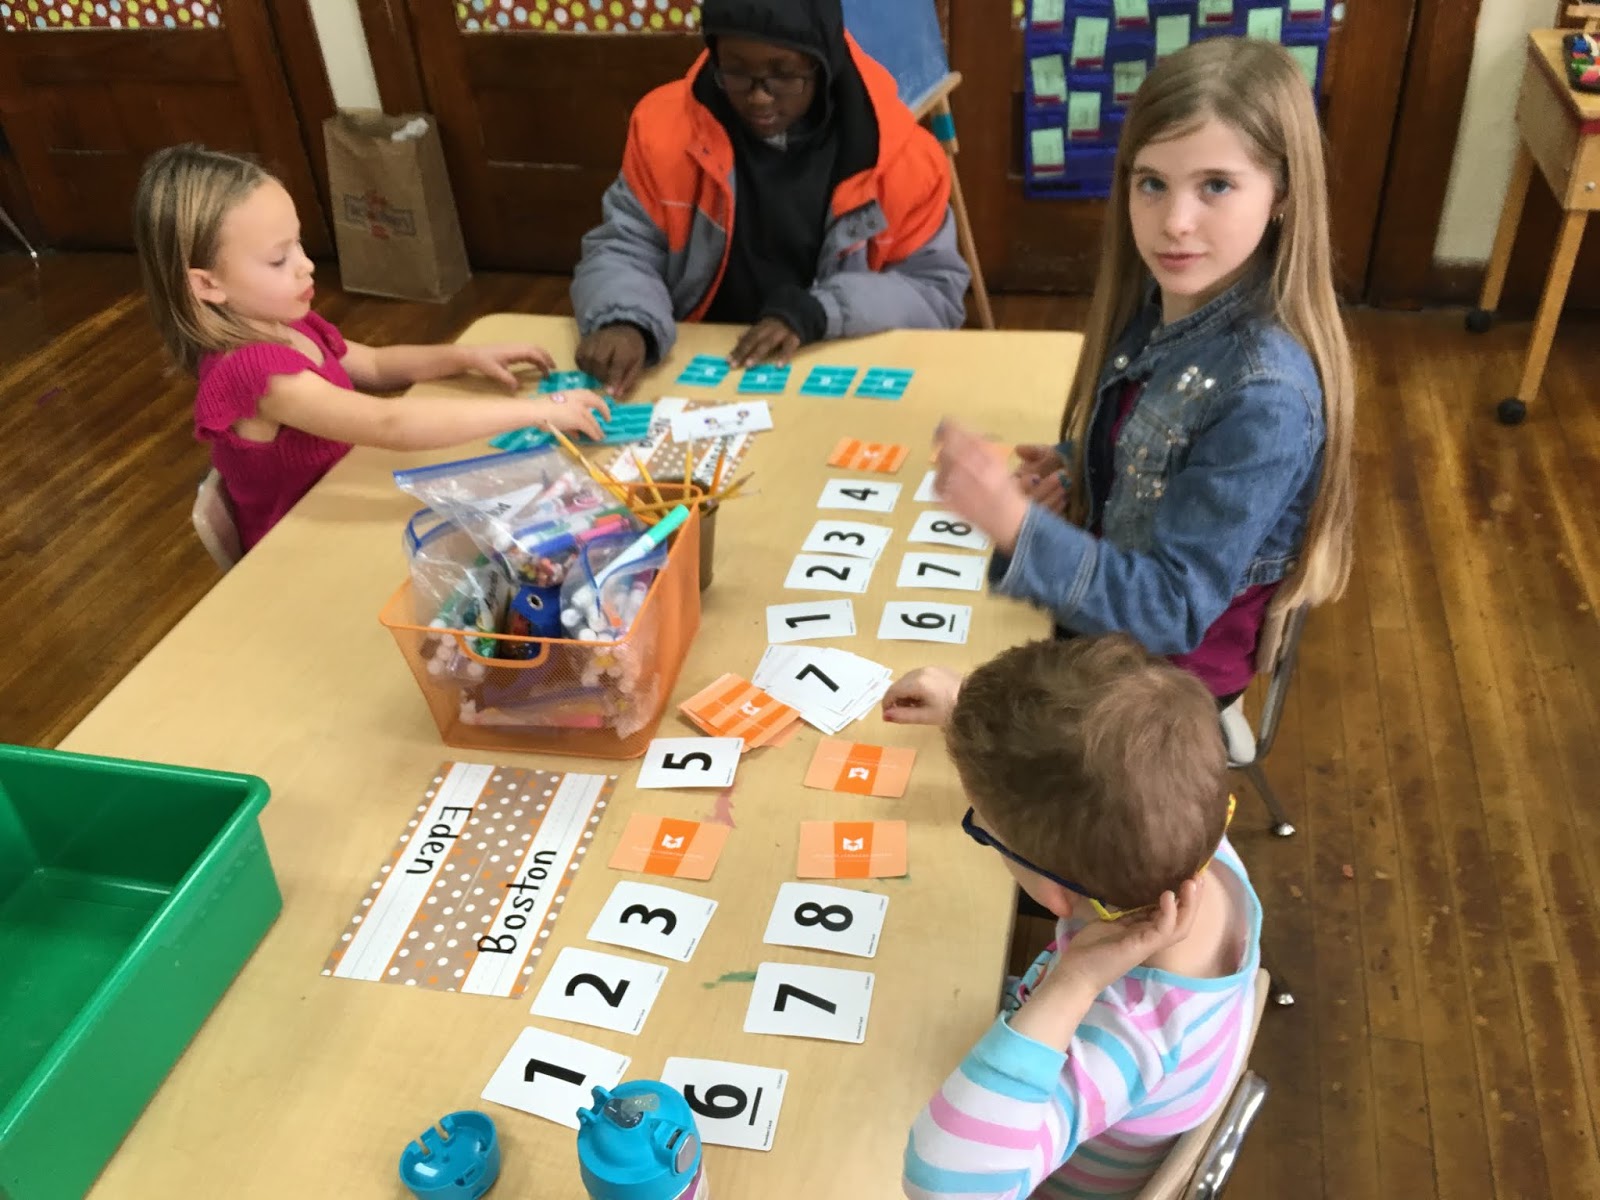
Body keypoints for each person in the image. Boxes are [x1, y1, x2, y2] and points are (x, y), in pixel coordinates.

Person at [933, 38, 1355, 704]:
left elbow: (1171, 611)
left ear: (1282, 194)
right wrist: (1085, 465)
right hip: (1101, 639)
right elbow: (1164, 445)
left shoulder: (1266, 393)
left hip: (1155, 700)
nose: (1174, 223)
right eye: (1151, 183)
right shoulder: (1166, 302)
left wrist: (1016, 526)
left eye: (1215, 185)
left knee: (947, 710)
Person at [887, 636, 1261, 1199]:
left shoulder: (1129, 1031)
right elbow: (1117, 758)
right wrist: (970, 716)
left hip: (1042, 1177)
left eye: (984, 829)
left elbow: (946, 1186)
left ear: (1053, 894)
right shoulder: (1192, 843)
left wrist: (1073, 983)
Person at [134, 145, 608, 552]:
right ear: (208, 284)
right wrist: (540, 411)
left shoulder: (284, 323)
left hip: (344, 500)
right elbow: (390, 422)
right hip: (301, 551)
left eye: (298, 244)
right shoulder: (254, 370)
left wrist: (463, 357)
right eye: (279, 259)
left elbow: (376, 365)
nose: (305, 267)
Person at [570, 0, 970, 397]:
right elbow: (624, 245)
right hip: (697, 361)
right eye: (737, 72)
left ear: (823, 64)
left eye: (783, 75)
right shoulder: (662, 129)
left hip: (831, 361)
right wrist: (624, 317)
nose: (759, 98)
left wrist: (820, 312)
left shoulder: (902, 159)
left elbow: (934, 291)